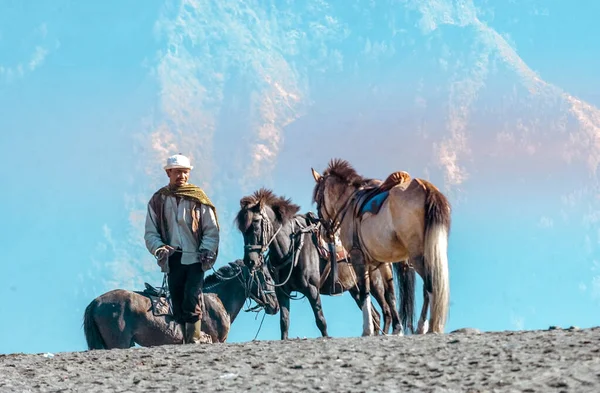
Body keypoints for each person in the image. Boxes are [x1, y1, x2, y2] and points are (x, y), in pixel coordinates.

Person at [144, 153, 219, 344]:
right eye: (177, 172)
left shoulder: (198, 198)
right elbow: (150, 232)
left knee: (191, 300)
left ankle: (193, 340)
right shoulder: (157, 200)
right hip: (172, 260)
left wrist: (206, 249)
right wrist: (159, 248)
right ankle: (185, 340)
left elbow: (211, 229)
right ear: (168, 173)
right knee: (176, 302)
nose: (182, 176)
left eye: (185, 172)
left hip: (196, 259)